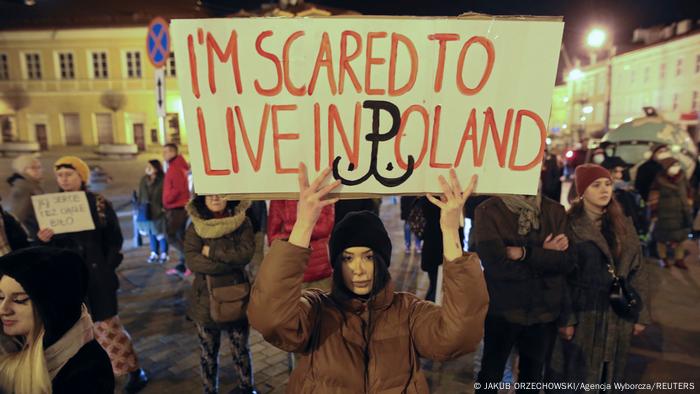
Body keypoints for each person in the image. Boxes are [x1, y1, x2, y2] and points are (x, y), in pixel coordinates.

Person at [248, 165, 489, 393]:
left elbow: (459, 335)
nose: (359, 270)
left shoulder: (408, 313)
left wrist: (449, 231)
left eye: (369, 257)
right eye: (348, 259)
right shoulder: (317, 311)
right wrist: (303, 225)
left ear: (382, 262)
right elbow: (270, 319)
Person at [36, 156, 149, 393]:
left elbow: (114, 239)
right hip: (68, 281)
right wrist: (43, 240)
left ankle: (133, 371)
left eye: (69, 174)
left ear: (81, 176)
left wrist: (106, 267)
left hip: (98, 279)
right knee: (79, 332)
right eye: (60, 175)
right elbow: (47, 252)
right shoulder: (50, 207)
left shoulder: (98, 202)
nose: (64, 179)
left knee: (108, 327)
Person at [547, 164, 650, 391]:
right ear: (582, 191)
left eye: (607, 184)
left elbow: (638, 269)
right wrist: (566, 319)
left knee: (611, 374)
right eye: (596, 185)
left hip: (617, 311)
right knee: (578, 376)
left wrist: (641, 314)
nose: (604, 190)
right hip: (584, 312)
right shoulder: (569, 225)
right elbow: (560, 277)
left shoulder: (624, 224)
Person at [474, 184, 572, 393]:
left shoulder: (554, 211)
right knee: (491, 373)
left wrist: (525, 253)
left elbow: (567, 262)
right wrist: (545, 256)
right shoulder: (489, 210)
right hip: (503, 309)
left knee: (532, 377)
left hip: (543, 312)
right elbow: (496, 266)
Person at [0, 247, 114, 393]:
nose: (4, 309)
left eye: (20, 300)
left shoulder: (85, 371)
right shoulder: (12, 347)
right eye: (1, 297)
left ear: (51, 305)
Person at [184, 195, 256, 394]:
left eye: (221, 193)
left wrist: (211, 251)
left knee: (241, 349)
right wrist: (230, 261)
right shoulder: (196, 226)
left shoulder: (243, 222)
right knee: (208, 353)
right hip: (204, 301)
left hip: (237, 297)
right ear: (202, 199)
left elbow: (245, 255)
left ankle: (247, 387)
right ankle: (209, 389)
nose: (215, 197)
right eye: (210, 193)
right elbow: (193, 261)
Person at [267, 199, 334, 291]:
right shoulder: (281, 198)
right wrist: (306, 228)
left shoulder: (321, 194)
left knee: (323, 302)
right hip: (291, 268)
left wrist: (294, 229)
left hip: (320, 268)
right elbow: (273, 238)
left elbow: (325, 228)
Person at [648, 158, 692, 269]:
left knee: (680, 237)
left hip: (680, 213)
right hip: (663, 214)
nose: (676, 167)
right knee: (661, 238)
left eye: (677, 164)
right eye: (673, 165)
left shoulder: (682, 178)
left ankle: (679, 259)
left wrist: (689, 205)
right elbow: (653, 197)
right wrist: (654, 213)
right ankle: (663, 259)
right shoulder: (659, 179)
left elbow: (688, 192)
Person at [162, 143, 191, 276]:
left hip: (176, 207)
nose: (164, 154)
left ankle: (189, 260)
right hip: (178, 206)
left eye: (167, 151)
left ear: (174, 152)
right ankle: (184, 265)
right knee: (180, 236)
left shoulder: (176, 167)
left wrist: (167, 199)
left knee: (170, 235)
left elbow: (178, 188)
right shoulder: (176, 166)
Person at [137, 160, 168, 264]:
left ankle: (164, 253)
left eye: (150, 166)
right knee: (151, 233)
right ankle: (154, 252)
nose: (148, 168)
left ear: (156, 168)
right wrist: (139, 208)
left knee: (160, 233)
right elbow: (140, 194)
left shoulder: (163, 179)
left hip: (159, 210)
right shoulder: (143, 180)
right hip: (146, 210)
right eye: (147, 166)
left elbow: (165, 194)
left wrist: (164, 207)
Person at [6, 154, 44, 240]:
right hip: (31, 233)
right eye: (33, 168)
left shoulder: (30, 184)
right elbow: (18, 214)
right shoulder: (24, 186)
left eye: (39, 167)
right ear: (23, 170)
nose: (38, 170)